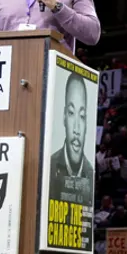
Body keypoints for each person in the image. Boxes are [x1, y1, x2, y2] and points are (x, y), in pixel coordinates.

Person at [47, 72, 93, 208]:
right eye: (71, 113)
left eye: (82, 116)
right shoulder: (50, 166)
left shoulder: (90, 172)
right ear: (64, 117)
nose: (76, 129)